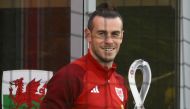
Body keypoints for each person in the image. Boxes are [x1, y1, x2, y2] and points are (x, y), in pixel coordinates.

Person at [40, 2, 128, 109]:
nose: (109, 41)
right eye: (102, 34)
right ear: (88, 35)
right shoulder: (69, 78)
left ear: (122, 37)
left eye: (115, 34)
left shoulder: (119, 82)